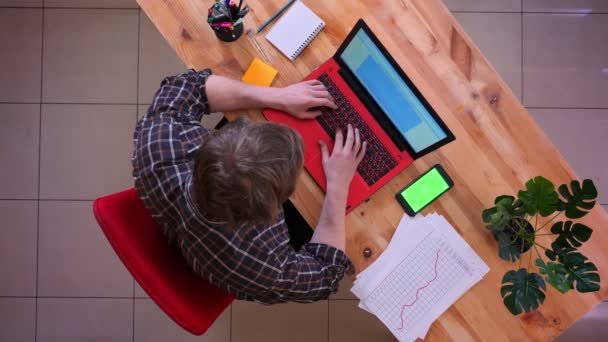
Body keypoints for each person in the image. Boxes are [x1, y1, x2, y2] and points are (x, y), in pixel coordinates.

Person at [132, 69, 366, 304]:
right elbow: (326, 274)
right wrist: (337, 185)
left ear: (221, 141)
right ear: (273, 206)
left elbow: (193, 85)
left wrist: (277, 96)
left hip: (183, 222)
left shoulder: (157, 143)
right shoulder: (264, 266)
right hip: (223, 255)